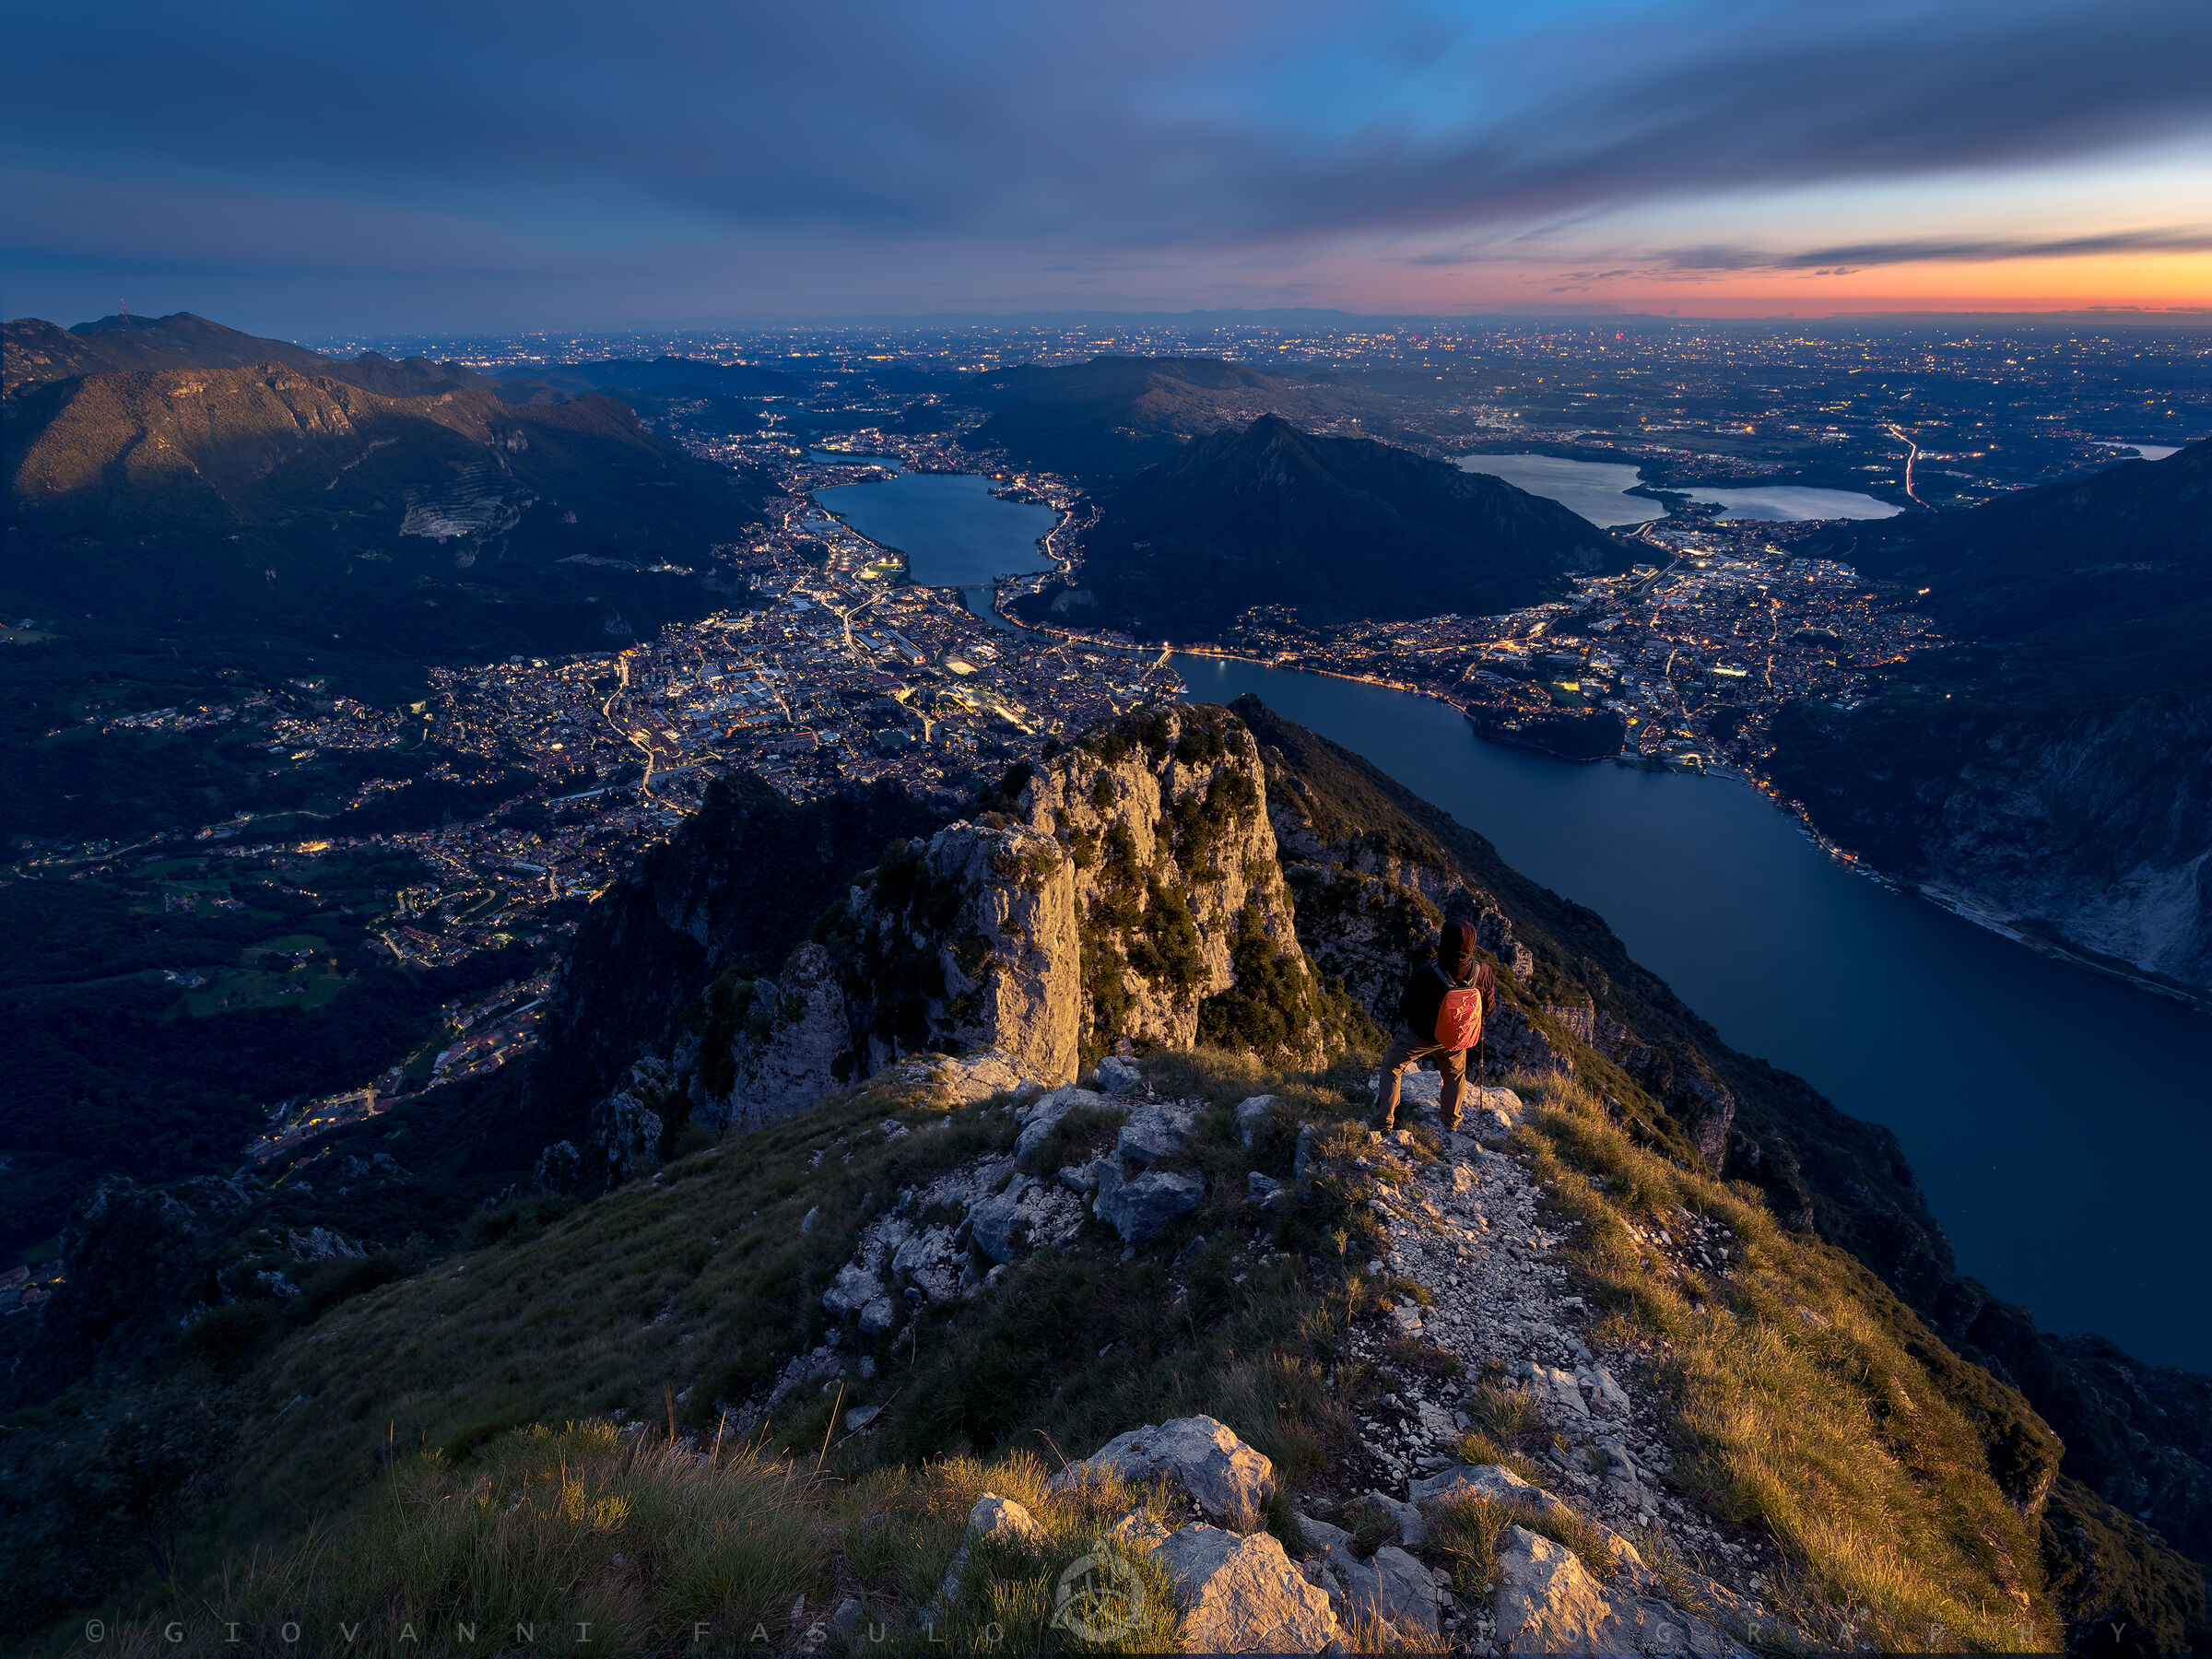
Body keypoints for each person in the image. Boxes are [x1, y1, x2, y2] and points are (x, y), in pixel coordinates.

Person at [1374, 918, 1495, 1134]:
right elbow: (1487, 1008)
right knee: (1454, 1075)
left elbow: (1406, 1006)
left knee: (1392, 1066)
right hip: (1455, 1037)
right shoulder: (1483, 971)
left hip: (1421, 1035)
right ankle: (1451, 1122)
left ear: (1444, 941)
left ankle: (1382, 1123)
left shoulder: (1426, 973)